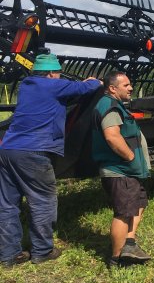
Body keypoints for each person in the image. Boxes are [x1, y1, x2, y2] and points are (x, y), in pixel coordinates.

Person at [0, 53, 101, 267]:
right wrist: (96, 82)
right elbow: (85, 89)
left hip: (8, 149)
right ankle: (43, 251)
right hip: (34, 152)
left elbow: (63, 91)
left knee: (8, 203)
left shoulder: (28, 86)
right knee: (42, 200)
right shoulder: (53, 85)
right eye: (58, 73)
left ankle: (9, 255)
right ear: (51, 73)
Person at [92, 70, 151, 268]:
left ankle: (130, 244)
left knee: (139, 204)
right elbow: (112, 136)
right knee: (124, 213)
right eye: (126, 85)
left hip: (128, 170)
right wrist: (130, 156)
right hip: (120, 169)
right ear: (112, 88)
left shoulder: (115, 105)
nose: (131, 88)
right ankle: (117, 259)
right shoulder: (109, 106)